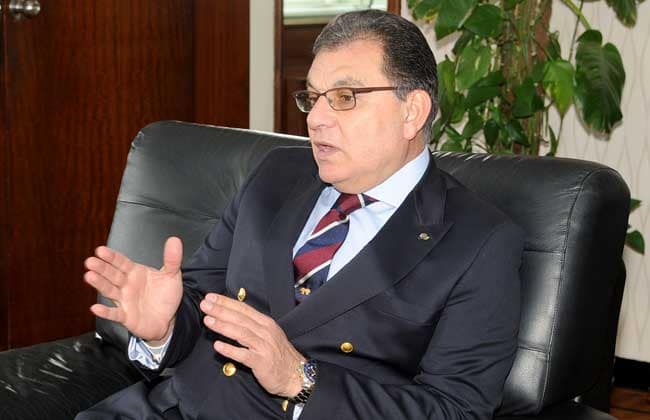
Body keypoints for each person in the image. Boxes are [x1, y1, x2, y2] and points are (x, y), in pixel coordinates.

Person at [77, 9, 524, 420]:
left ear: (413, 111)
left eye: (345, 97)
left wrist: (301, 381)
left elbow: (456, 411)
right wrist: (165, 329)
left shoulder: (477, 240)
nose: (316, 119)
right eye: (313, 97)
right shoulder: (278, 173)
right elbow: (200, 299)